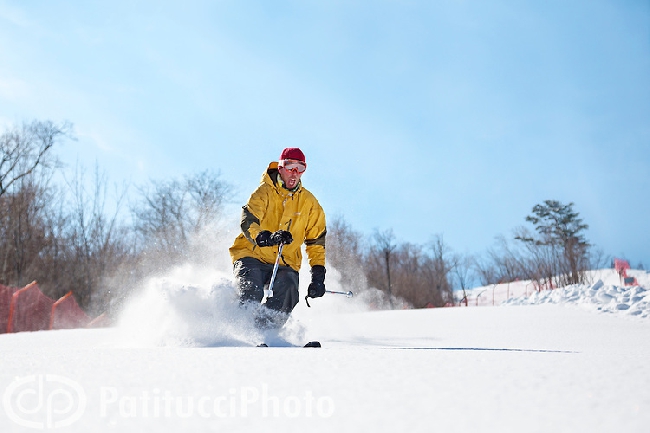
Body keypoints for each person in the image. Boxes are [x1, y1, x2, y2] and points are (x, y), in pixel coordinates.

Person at [229, 147, 327, 330]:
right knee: (251, 289)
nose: (295, 173)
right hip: (252, 254)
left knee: (289, 289)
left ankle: (265, 333)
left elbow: (316, 241)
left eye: (300, 168)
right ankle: (239, 331)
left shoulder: (309, 203)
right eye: (290, 167)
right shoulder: (264, 192)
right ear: (280, 167)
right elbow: (248, 220)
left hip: (285, 261)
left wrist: (318, 275)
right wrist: (265, 237)